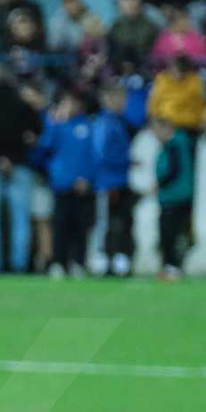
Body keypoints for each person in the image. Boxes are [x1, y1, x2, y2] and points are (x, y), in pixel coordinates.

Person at [0, 66, 42, 273]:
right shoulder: (23, 106)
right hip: (19, 166)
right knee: (21, 219)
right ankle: (19, 264)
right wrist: (15, 156)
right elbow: (37, 131)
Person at [36, 88, 96, 278]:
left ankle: (78, 262)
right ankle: (58, 263)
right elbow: (44, 149)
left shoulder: (88, 126)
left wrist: (86, 178)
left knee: (80, 227)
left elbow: (93, 156)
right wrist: (53, 123)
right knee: (60, 227)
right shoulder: (56, 127)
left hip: (82, 186)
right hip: (61, 186)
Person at [93, 82, 135, 279]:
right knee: (108, 223)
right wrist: (127, 162)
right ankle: (104, 260)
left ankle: (119, 260)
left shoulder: (120, 122)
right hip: (108, 182)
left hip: (120, 180)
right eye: (118, 98)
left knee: (123, 222)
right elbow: (102, 153)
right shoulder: (105, 123)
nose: (122, 102)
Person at [152, 117, 194, 281]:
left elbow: (173, 171)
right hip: (174, 197)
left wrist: (159, 184)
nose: (155, 134)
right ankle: (171, 268)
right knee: (171, 235)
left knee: (170, 235)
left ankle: (172, 268)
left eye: (157, 129)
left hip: (175, 197)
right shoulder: (177, 144)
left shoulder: (175, 145)